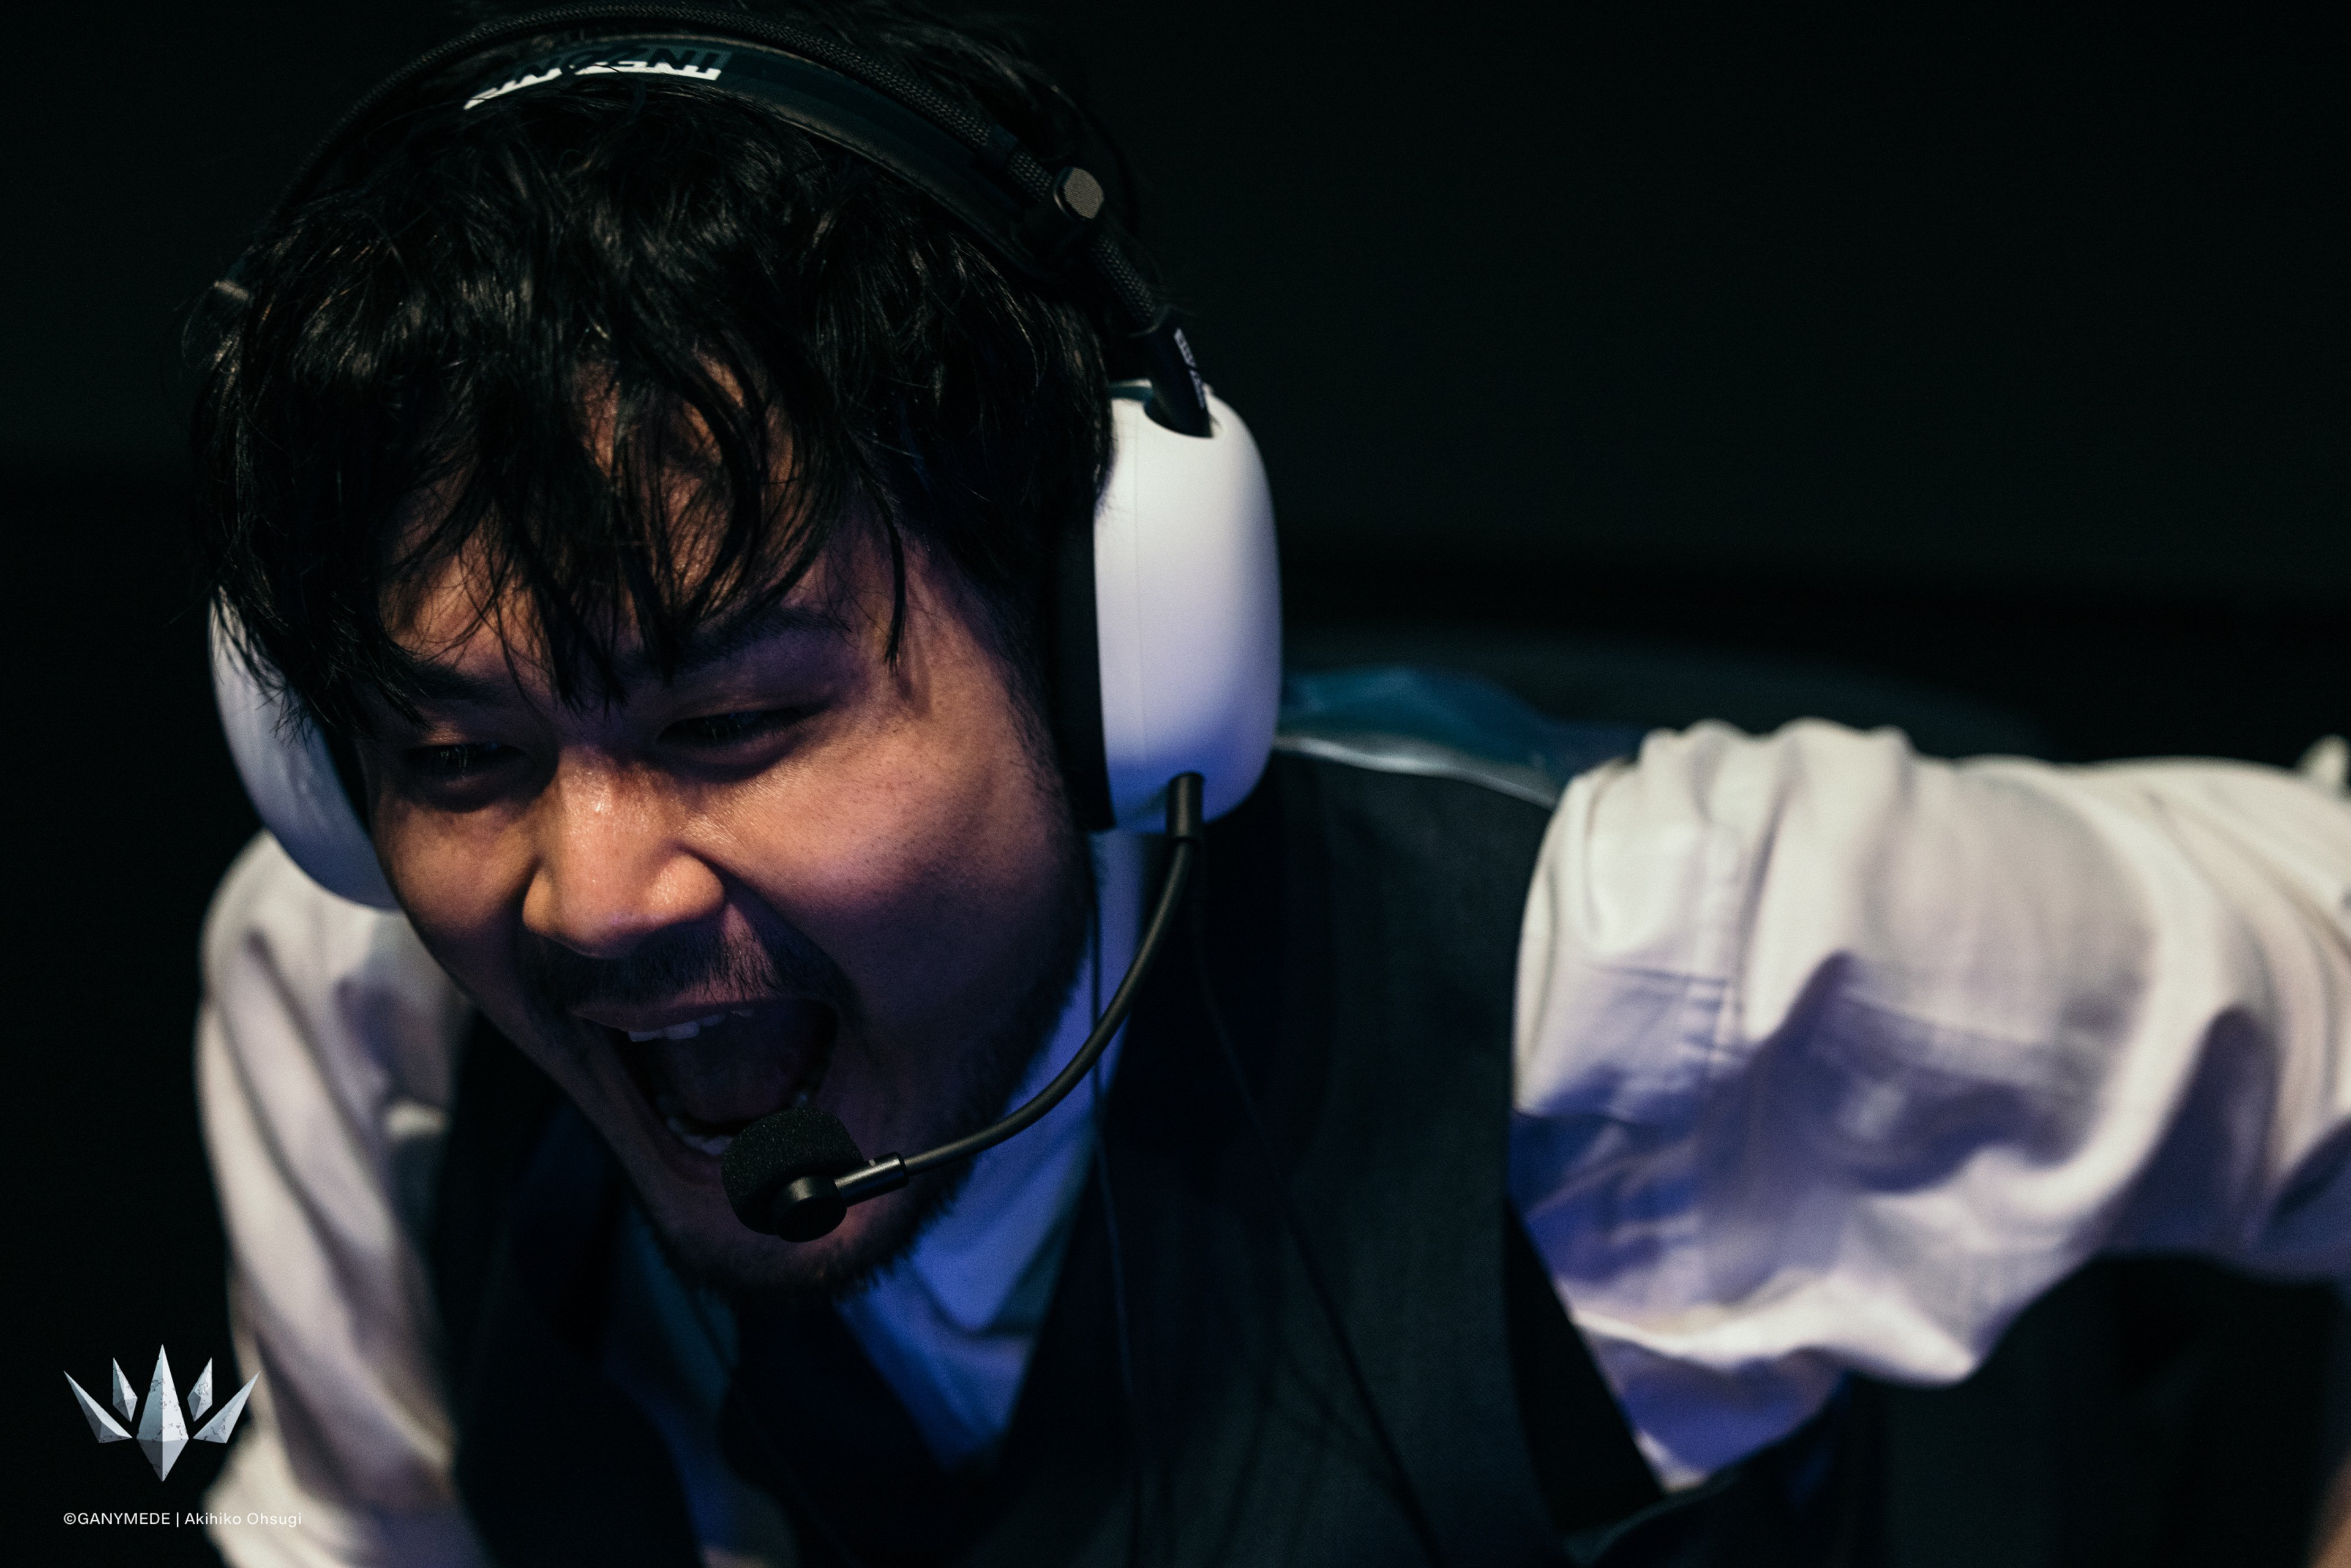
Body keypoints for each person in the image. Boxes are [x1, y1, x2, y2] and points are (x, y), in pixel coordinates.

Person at [189, 3, 2351, 1564]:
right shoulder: (365, 996)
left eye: (731, 725)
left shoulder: (1659, 983)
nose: (585, 898)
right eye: (457, 753)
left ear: (1112, 651)